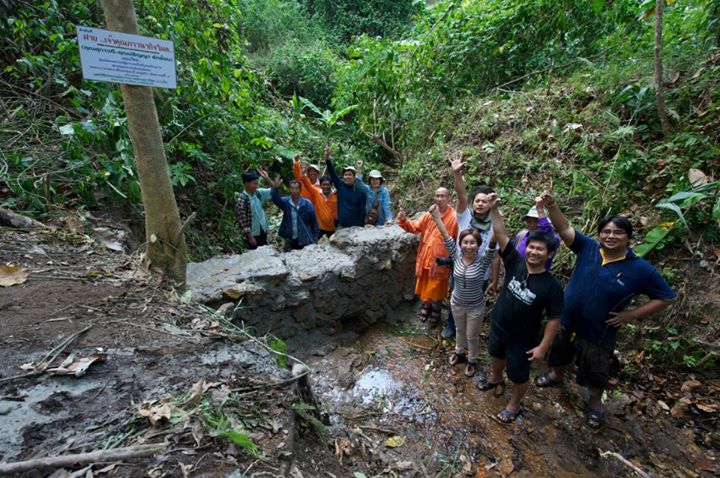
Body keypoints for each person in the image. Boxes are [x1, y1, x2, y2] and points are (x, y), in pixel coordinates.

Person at [537, 191, 676, 429]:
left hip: (599, 330)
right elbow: (564, 229)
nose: (610, 236)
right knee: (559, 351)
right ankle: (556, 375)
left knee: (596, 369)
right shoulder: (588, 248)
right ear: (599, 234)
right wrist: (553, 206)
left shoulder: (640, 269)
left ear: (628, 238)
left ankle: (594, 404)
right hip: (567, 319)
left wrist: (631, 315)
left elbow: (666, 297)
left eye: (617, 232)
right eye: (606, 231)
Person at [478, 193, 564, 424]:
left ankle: (514, 403)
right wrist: (494, 209)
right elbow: (502, 234)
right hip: (499, 324)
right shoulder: (516, 261)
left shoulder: (552, 286)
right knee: (495, 355)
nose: (534, 252)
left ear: (549, 254)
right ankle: (495, 378)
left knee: (518, 373)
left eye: (540, 249)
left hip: (523, 339)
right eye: (532, 247)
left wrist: (542, 348)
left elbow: (554, 319)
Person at [430, 204, 496, 377]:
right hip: (457, 303)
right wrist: (436, 216)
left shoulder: (483, 261)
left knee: (472, 336)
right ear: (461, 244)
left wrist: (496, 216)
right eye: (465, 242)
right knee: (460, 331)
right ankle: (459, 352)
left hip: (475, 306)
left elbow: (493, 243)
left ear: (477, 245)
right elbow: (445, 235)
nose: (468, 246)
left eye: (472, 243)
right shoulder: (456, 256)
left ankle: (472, 359)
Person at [442, 153, 500, 339]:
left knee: (474, 302)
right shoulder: (465, 216)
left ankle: (469, 330)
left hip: (480, 272)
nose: (481, 204)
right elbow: (460, 194)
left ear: (490, 204)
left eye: (485, 201)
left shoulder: (494, 224)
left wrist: (495, 279)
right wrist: (457, 174)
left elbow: (496, 255)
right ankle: (452, 325)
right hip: (459, 268)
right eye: (478, 201)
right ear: (473, 203)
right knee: (456, 297)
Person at [397, 188, 458, 326]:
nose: (439, 199)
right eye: (437, 196)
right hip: (425, 257)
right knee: (425, 285)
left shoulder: (454, 218)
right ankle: (426, 305)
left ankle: (436, 308)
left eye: (443, 196)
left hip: (440, 261)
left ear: (449, 198)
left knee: (437, 287)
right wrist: (404, 220)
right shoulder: (428, 215)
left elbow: (456, 240)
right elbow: (415, 227)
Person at [259, 170, 319, 251]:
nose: (294, 191)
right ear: (289, 189)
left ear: (300, 190)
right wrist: (274, 186)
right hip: (289, 237)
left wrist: (315, 238)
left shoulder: (307, 204)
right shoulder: (286, 202)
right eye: (292, 188)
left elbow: (314, 221)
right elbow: (276, 199)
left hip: (304, 237)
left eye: (296, 189)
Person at [293, 153, 337, 237]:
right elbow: (298, 175)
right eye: (310, 172)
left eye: (314, 172)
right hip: (304, 211)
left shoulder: (320, 187)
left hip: (317, 214)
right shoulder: (304, 183)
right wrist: (296, 163)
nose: (312, 173)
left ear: (318, 174)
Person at [513, 198, 561, 270]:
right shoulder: (521, 235)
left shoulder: (553, 239)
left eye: (536, 221)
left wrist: (540, 210)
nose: (532, 225)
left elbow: (547, 231)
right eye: (529, 222)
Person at [325, 150, 370, 228]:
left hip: (356, 225)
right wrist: (327, 158)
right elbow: (332, 172)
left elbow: (362, 209)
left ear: (354, 176)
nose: (347, 177)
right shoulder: (340, 185)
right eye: (345, 175)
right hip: (342, 224)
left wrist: (362, 223)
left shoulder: (359, 189)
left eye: (350, 175)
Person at [235, 170, 272, 250]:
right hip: (253, 235)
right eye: (254, 184)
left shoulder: (258, 193)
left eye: (257, 183)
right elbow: (243, 222)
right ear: (247, 183)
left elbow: (273, 190)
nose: (257, 186)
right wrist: (250, 237)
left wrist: (267, 178)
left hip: (263, 230)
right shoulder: (242, 200)